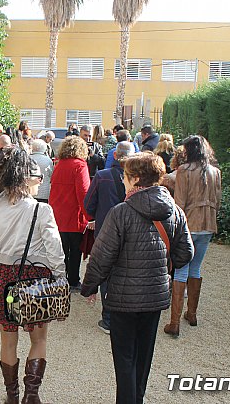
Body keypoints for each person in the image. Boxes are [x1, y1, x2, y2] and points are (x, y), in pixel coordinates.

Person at [81, 152, 194, 404]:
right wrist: (163, 269)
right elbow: (186, 253)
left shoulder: (121, 213)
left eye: (124, 176)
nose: (122, 181)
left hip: (123, 297)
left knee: (124, 359)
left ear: (134, 179)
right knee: (144, 358)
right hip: (154, 296)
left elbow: (101, 256)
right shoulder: (174, 211)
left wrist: (89, 287)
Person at [0, 148, 65, 404]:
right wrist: (59, 277)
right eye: (38, 177)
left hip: (3, 276)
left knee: (8, 340)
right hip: (36, 279)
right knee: (38, 338)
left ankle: (11, 395)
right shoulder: (41, 210)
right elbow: (54, 250)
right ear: (25, 178)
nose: (41, 181)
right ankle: (32, 394)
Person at [164, 135, 222, 337]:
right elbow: (218, 201)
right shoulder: (215, 172)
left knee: (180, 270)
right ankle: (192, 313)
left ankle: (174, 323)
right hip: (207, 224)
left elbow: (178, 203)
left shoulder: (184, 171)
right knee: (195, 268)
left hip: (188, 224)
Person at [83, 141, 135, 334]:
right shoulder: (139, 178)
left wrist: (96, 216)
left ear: (114, 155)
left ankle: (108, 319)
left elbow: (88, 203)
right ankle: (126, 316)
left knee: (105, 271)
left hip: (105, 230)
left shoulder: (102, 176)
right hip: (131, 232)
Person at [49, 136, 90, 290]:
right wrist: (89, 216)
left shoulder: (59, 165)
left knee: (61, 250)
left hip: (58, 214)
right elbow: (84, 192)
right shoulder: (80, 166)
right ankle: (73, 280)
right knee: (75, 252)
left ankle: (60, 279)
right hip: (74, 214)